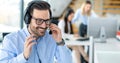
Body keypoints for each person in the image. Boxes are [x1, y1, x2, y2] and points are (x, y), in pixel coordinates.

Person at [0, 1, 72, 63]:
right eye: (39, 21)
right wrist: (23, 56)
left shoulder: (51, 38)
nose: (44, 26)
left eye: (47, 21)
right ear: (28, 19)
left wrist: (59, 42)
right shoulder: (11, 40)